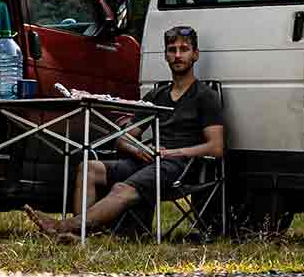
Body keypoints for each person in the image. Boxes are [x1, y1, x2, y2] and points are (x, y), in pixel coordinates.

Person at [25, 25, 225, 239]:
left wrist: (172, 153)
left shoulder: (205, 96)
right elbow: (123, 139)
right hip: (149, 160)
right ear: (165, 55)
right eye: (171, 50)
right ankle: (83, 234)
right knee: (89, 168)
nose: (177, 55)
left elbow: (216, 147)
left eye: (184, 49)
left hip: (179, 166)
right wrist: (136, 148)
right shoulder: (156, 96)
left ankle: (65, 227)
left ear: (195, 55)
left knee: (122, 188)